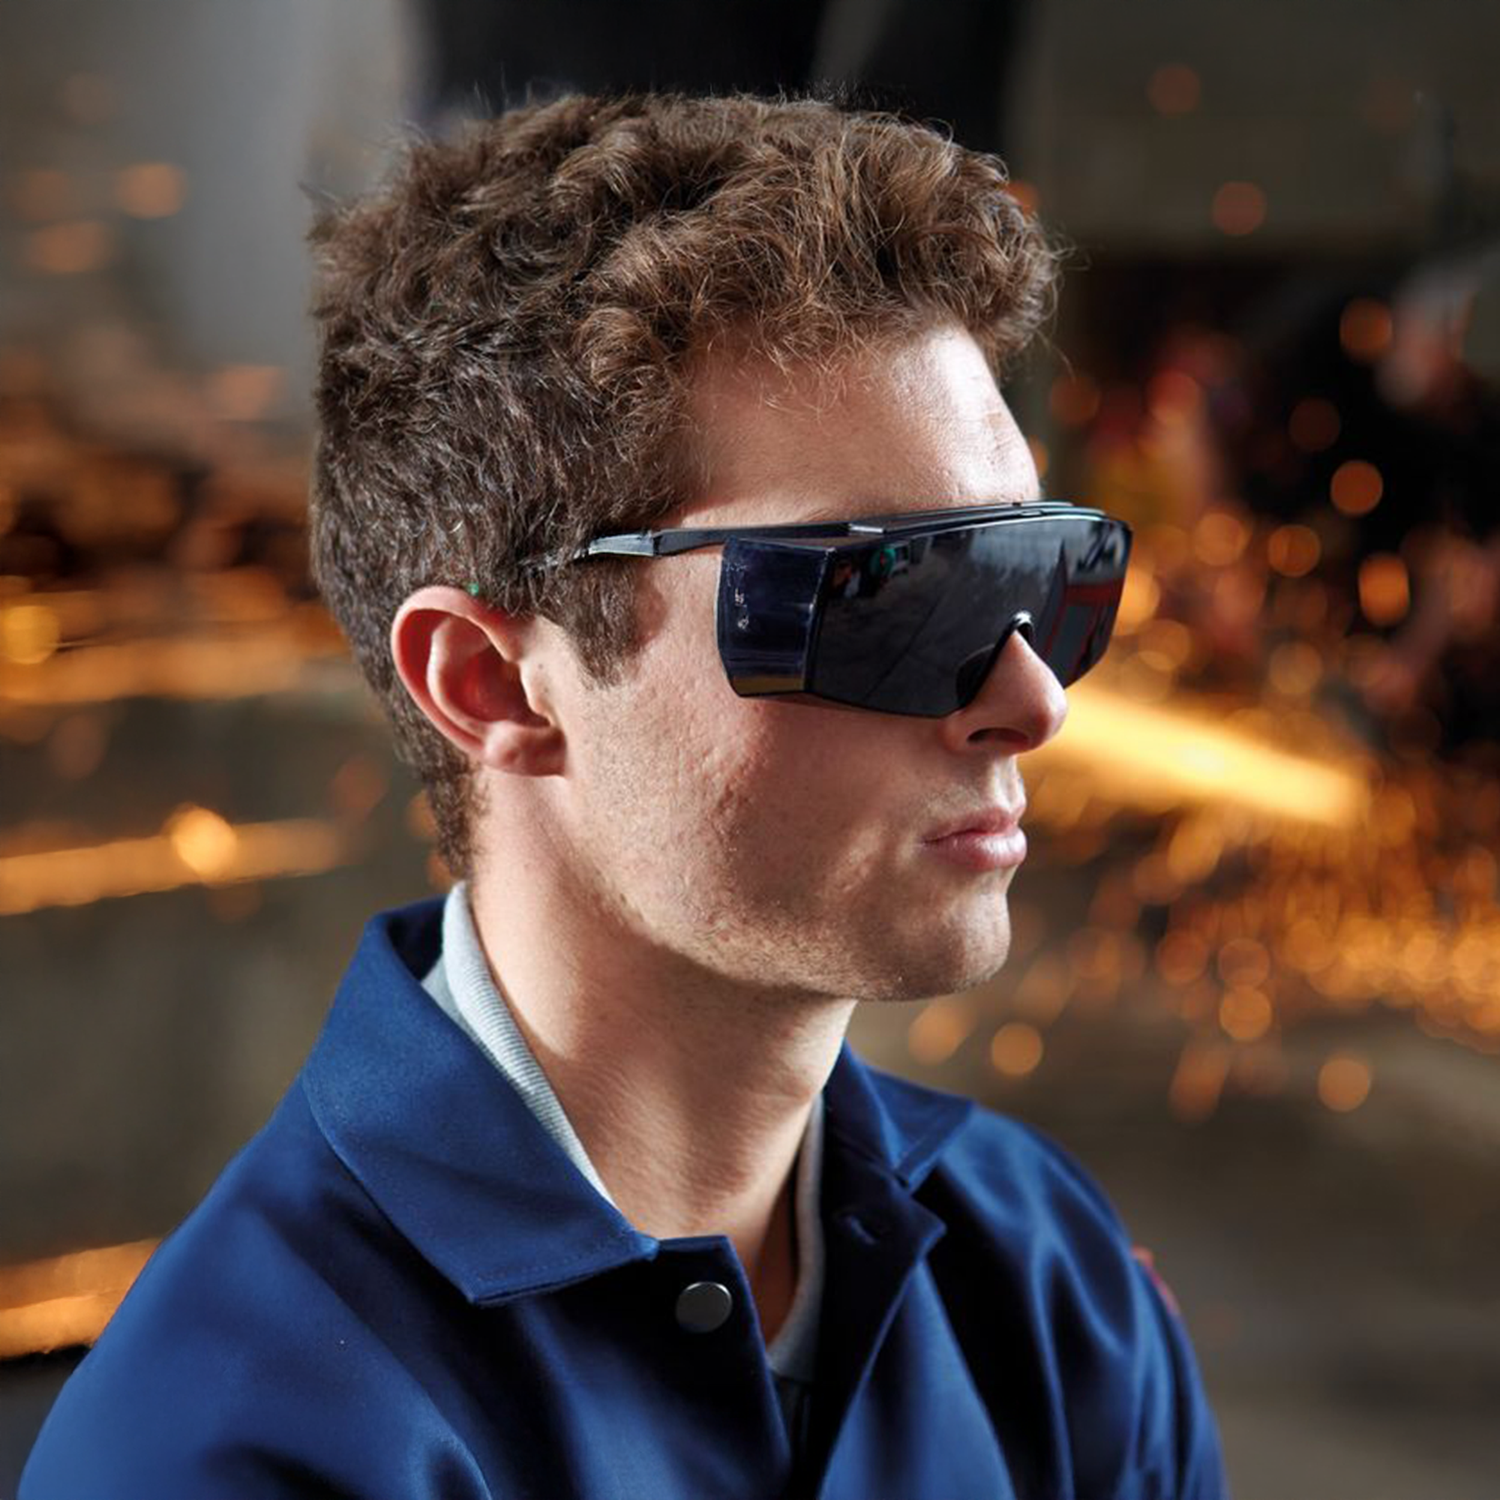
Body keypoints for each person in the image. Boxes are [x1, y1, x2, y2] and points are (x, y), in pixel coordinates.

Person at [22, 91, 1228, 1499]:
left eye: (1041, 571)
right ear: (493, 683)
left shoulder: (1051, 1286)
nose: (1035, 700)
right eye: (884, 593)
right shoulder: (238, 1450)